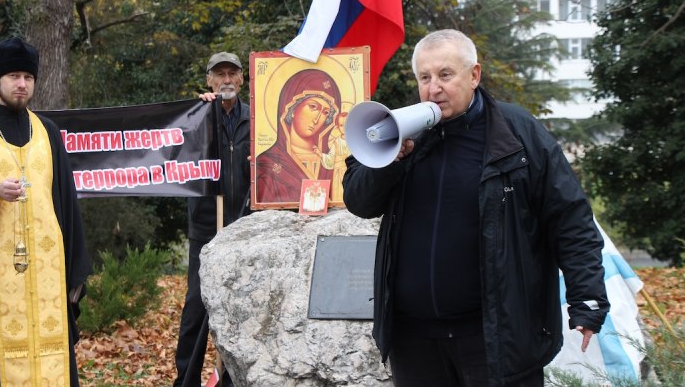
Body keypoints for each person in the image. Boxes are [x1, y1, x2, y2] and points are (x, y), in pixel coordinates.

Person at [342, 29, 610, 386]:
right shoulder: (402, 134)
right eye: (424, 77)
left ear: (474, 75)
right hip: (415, 341)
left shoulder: (518, 134)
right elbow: (359, 203)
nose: (433, 88)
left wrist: (587, 297)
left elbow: (569, 219)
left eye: (445, 74)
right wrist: (391, 160)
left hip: (495, 338)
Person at [0, 37, 92, 386]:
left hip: (47, 278)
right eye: (13, 76)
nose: (21, 84)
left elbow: (67, 205)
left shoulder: (48, 133)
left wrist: (75, 274)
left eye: (28, 76)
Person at [173, 52, 250, 387]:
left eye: (232, 73)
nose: (227, 80)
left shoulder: (257, 119)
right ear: (209, 80)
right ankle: (185, 378)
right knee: (196, 305)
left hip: (246, 226)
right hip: (206, 225)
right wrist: (202, 114)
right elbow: (177, 157)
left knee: (241, 303)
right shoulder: (197, 118)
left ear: (243, 78)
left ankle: (233, 378)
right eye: (219, 74)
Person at [255, 69, 340, 205]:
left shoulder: (336, 161)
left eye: (325, 112)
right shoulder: (267, 163)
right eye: (313, 107)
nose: (318, 119)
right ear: (292, 108)